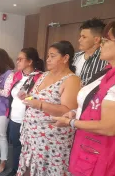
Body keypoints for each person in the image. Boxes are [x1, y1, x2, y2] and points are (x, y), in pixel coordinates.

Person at [52, 19, 115, 176]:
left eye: (106, 41)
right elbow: (93, 102)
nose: (101, 45)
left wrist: (72, 122)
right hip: (88, 146)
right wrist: (75, 112)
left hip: (104, 151)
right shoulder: (107, 70)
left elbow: (110, 126)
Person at [17, 41, 81, 176]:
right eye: (47, 56)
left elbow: (69, 110)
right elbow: (36, 98)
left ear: (65, 58)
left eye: (52, 56)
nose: (48, 59)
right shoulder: (45, 75)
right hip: (32, 134)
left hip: (52, 139)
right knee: (29, 169)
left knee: (47, 170)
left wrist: (40, 105)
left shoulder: (71, 80)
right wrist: (27, 97)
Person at [6, 47, 44, 176]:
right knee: (16, 145)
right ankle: (15, 170)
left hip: (29, 119)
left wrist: (28, 97)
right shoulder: (17, 75)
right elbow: (11, 94)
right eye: (17, 59)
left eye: (20, 59)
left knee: (29, 148)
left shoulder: (40, 77)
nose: (17, 62)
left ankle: (26, 172)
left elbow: (42, 99)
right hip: (15, 117)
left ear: (30, 61)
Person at [73, 18, 107, 86]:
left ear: (96, 40)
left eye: (84, 37)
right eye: (80, 36)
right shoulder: (74, 57)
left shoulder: (105, 60)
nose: (79, 40)